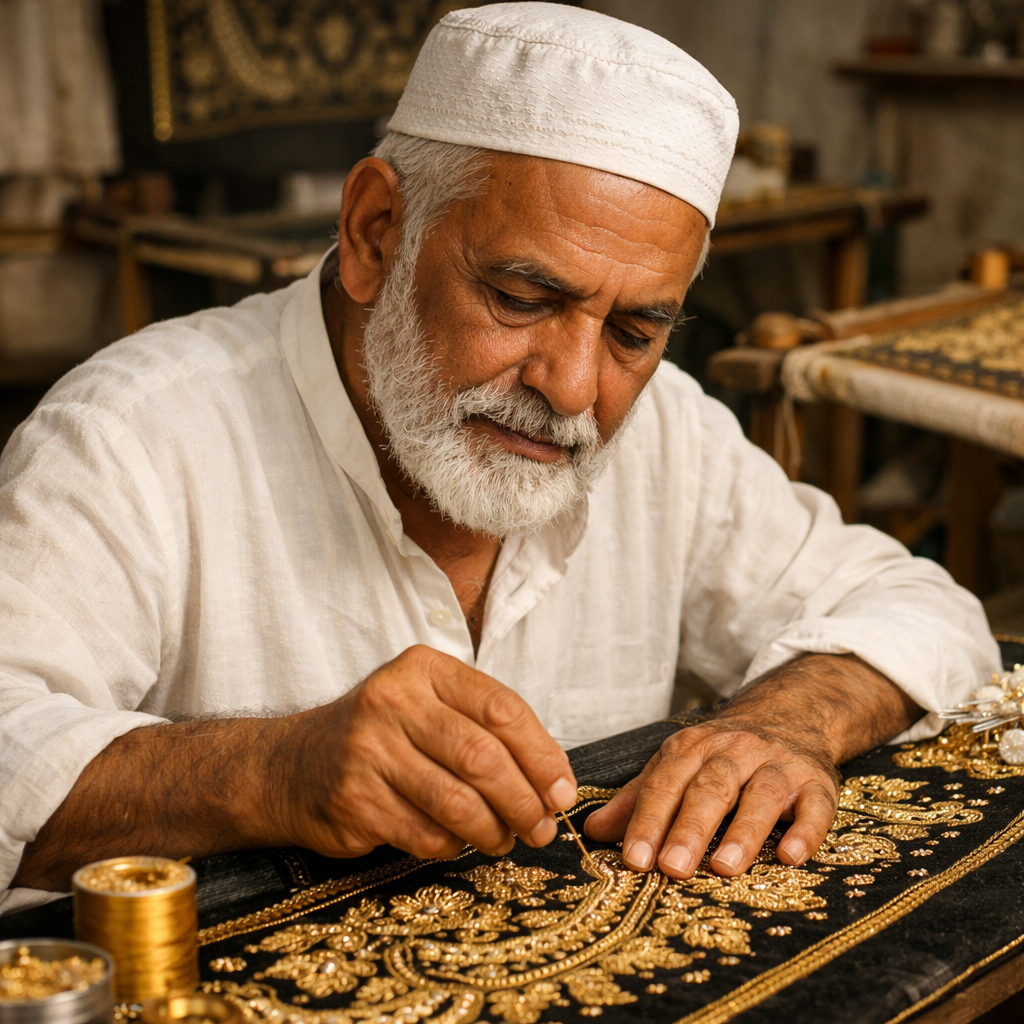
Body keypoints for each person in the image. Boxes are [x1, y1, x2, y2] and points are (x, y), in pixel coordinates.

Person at [0, 3, 997, 913]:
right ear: (375, 233)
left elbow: (920, 609)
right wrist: (269, 769)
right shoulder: (132, 432)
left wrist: (786, 721)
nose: (571, 387)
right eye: (522, 298)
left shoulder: (664, 432)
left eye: (635, 331)